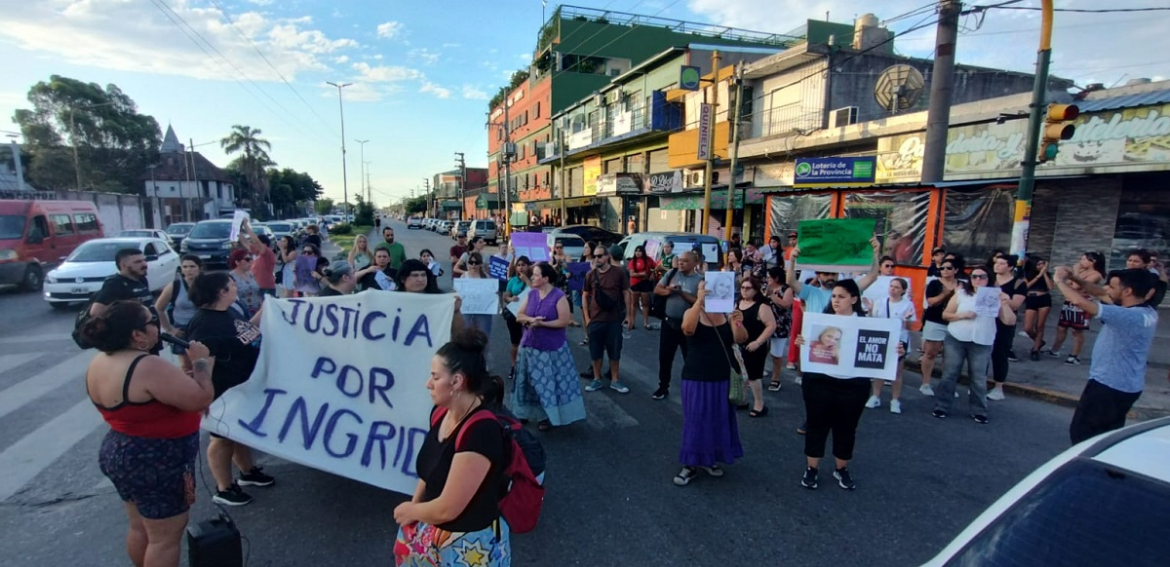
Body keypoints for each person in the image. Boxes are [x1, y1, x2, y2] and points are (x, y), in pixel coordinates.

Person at [84, 301, 215, 567]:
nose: (157, 326)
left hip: (121, 451)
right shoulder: (147, 365)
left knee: (140, 526)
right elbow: (201, 398)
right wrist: (201, 362)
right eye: (151, 322)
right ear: (137, 334)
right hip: (156, 458)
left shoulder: (100, 360)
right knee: (164, 538)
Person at [393, 330, 510, 566]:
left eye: (435, 377)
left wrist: (411, 512)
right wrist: (415, 509)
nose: (428, 384)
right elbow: (429, 474)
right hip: (431, 532)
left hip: (467, 547)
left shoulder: (481, 431)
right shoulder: (440, 414)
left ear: (457, 381)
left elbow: (449, 508)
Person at [794, 280, 900, 491]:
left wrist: (896, 349)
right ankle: (811, 468)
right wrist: (802, 344)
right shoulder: (820, 321)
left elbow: (882, 348)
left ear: (854, 299)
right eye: (833, 296)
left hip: (854, 385)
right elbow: (809, 352)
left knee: (846, 427)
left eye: (841, 296)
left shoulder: (868, 323)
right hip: (819, 381)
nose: (836, 300)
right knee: (817, 425)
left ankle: (841, 468)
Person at [184, 272, 274, 506]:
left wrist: (267, 309)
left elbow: (246, 332)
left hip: (240, 387)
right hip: (223, 392)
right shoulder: (204, 324)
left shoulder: (228, 312)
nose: (236, 288)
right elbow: (203, 365)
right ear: (222, 292)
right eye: (232, 285)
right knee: (222, 438)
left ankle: (247, 471)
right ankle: (224, 488)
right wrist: (205, 397)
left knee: (238, 432)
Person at [1054, 268, 1157, 444]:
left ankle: (1088, 468)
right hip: (1127, 385)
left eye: (1111, 286)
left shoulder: (1127, 315)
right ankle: (1109, 469)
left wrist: (1059, 280)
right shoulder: (1147, 311)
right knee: (1107, 434)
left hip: (1108, 386)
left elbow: (1081, 302)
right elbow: (1100, 293)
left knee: (1083, 433)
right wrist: (1074, 277)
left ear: (1127, 291)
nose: (1106, 289)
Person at [673, 281, 748, 487]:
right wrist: (699, 301)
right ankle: (690, 465)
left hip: (722, 376)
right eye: (706, 288)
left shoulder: (726, 314)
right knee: (696, 421)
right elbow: (687, 329)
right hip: (697, 377)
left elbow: (740, 339)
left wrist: (738, 321)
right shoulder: (693, 311)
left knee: (718, 419)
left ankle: (709, 459)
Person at [931, 266, 1017, 424]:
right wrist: (962, 315)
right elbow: (946, 314)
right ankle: (942, 406)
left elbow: (1009, 321)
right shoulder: (962, 294)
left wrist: (1004, 304)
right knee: (950, 373)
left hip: (982, 340)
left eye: (982, 276)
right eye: (974, 276)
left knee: (978, 377)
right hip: (957, 337)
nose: (977, 280)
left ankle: (979, 410)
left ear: (988, 278)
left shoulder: (995, 296)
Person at [512, 262, 587, 431]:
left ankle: (546, 416)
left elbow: (563, 321)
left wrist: (542, 324)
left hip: (550, 349)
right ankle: (524, 412)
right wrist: (530, 320)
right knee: (526, 382)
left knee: (546, 385)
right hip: (528, 347)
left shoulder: (559, 296)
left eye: (536, 275)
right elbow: (519, 315)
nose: (532, 277)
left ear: (545, 278)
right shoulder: (531, 294)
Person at [582, 244, 633, 394]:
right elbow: (585, 295)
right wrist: (586, 317)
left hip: (614, 319)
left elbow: (626, 293)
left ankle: (615, 380)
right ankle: (596, 379)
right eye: (595, 256)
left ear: (607, 257)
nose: (596, 259)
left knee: (614, 350)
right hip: (596, 319)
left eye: (599, 256)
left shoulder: (619, 273)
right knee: (595, 351)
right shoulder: (590, 275)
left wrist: (629, 315)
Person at [651, 251, 702, 400]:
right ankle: (663, 387)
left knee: (690, 358)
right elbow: (657, 289)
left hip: (689, 327)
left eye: (685, 261)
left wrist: (681, 294)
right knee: (665, 357)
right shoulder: (672, 274)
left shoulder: (700, 280)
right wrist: (669, 291)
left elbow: (699, 302)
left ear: (694, 263)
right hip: (669, 323)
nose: (681, 263)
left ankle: (694, 388)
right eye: (680, 260)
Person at [863, 277, 915, 414]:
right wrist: (869, 310)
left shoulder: (907, 305)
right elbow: (873, 320)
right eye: (891, 286)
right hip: (882, 338)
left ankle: (895, 400)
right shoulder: (880, 302)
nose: (893, 289)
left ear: (903, 290)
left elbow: (910, 326)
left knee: (896, 372)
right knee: (879, 370)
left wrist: (907, 319)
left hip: (899, 340)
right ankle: (875, 396)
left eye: (897, 287)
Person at [1048, 252, 1105, 365]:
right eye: (1081, 259)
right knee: (1061, 327)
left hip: (1083, 303)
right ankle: (1055, 349)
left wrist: (1075, 272)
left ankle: (1074, 355)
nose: (1081, 262)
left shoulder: (1096, 274)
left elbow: (1077, 285)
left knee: (1077, 331)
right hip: (1069, 302)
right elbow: (1069, 282)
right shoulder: (1082, 272)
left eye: (1084, 260)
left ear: (1093, 261)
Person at [987, 255, 1026, 401]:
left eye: (1002, 263)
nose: (997, 266)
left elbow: (1016, 305)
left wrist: (1002, 296)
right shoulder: (988, 280)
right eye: (996, 263)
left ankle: (998, 387)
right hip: (986, 319)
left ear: (1010, 267)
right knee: (981, 352)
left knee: (1000, 353)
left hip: (1004, 321)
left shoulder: (1018, 283)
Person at [737, 275, 777, 416]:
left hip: (755, 345)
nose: (744, 291)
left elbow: (771, 325)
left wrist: (758, 342)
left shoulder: (762, 306)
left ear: (755, 290)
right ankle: (742, 400)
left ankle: (759, 404)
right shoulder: (739, 302)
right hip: (739, 345)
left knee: (754, 376)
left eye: (748, 288)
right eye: (742, 288)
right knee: (741, 374)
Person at [921, 257, 961, 396]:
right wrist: (945, 294)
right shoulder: (934, 284)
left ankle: (947, 385)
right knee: (931, 352)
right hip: (935, 320)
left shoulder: (962, 285)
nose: (945, 270)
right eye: (942, 268)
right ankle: (925, 383)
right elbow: (930, 302)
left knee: (950, 356)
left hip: (955, 322)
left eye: (949, 268)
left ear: (956, 270)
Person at [155, 255, 203, 369]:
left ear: (200, 268)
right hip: (183, 329)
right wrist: (169, 329)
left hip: (203, 327)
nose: (188, 270)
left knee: (204, 364)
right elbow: (158, 308)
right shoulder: (175, 286)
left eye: (192, 266)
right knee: (186, 366)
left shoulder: (208, 284)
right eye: (185, 267)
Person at [765, 266, 794, 392]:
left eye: (769, 277)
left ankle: (776, 378)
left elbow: (786, 304)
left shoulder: (787, 289)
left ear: (776, 278)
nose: (767, 279)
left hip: (780, 325)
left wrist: (772, 295)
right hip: (766, 324)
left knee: (777, 354)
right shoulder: (767, 288)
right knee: (762, 350)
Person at [502, 256, 532, 375]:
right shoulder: (513, 280)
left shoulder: (533, 279)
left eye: (523, 265)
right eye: (519, 265)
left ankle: (527, 366)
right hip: (514, 314)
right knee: (515, 342)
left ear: (528, 266)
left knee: (528, 341)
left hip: (528, 314)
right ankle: (514, 365)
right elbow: (505, 296)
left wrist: (526, 280)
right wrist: (510, 298)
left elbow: (536, 292)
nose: (521, 267)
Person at [1023, 256, 1054, 360]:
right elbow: (1026, 286)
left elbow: (1050, 287)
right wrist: (1038, 275)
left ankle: (1036, 349)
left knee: (1040, 325)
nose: (1041, 266)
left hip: (1044, 299)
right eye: (1038, 264)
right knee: (1028, 327)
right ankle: (1039, 341)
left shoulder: (1046, 274)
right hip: (1031, 299)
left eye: (1042, 264)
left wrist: (1044, 273)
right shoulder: (1027, 273)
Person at [460, 252, 495, 339]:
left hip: (483, 312)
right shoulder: (464, 276)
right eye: (471, 263)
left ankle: (482, 352)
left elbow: (492, 294)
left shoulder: (487, 277)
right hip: (467, 311)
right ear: (468, 264)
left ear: (480, 264)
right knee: (466, 336)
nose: (474, 265)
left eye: (476, 263)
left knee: (483, 335)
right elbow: (458, 293)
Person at [239, 221, 277, 297]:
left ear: (264, 244)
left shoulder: (268, 253)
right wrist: (238, 230)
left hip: (266, 288)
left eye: (257, 244)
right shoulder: (258, 253)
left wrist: (246, 226)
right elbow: (245, 243)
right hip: (257, 287)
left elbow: (256, 241)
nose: (254, 244)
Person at [627, 244, 658, 330]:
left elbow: (656, 267)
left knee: (645, 302)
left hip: (645, 283)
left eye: (639, 251)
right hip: (635, 283)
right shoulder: (632, 261)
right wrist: (641, 274)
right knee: (634, 303)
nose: (638, 253)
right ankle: (632, 322)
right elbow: (632, 274)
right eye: (636, 251)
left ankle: (646, 322)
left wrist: (652, 274)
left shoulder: (648, 260)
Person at [228, 248, 263, 318]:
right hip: (242, 312)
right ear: (237, 262)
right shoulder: (231, 277)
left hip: (257, 310)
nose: (251, 262)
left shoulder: (251, 274)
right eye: (247, 260)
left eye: (251, 259)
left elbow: (257, 292)